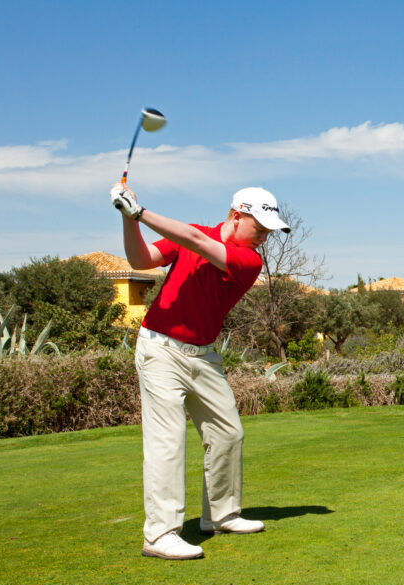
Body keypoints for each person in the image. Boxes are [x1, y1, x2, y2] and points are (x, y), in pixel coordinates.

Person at [111, 183, 290, 560]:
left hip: (204, 356)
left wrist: (140, 211)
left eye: (268, 232)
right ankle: (160, 534)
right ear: (236, 215)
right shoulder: (194, 236)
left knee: (228, 433)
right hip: (160, 349)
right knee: (167, 441)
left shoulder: (248, 262)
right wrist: (130, 220)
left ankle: (221, 515)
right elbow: (140, 261)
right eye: (259, 228)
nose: (263, 238)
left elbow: (193, 239)